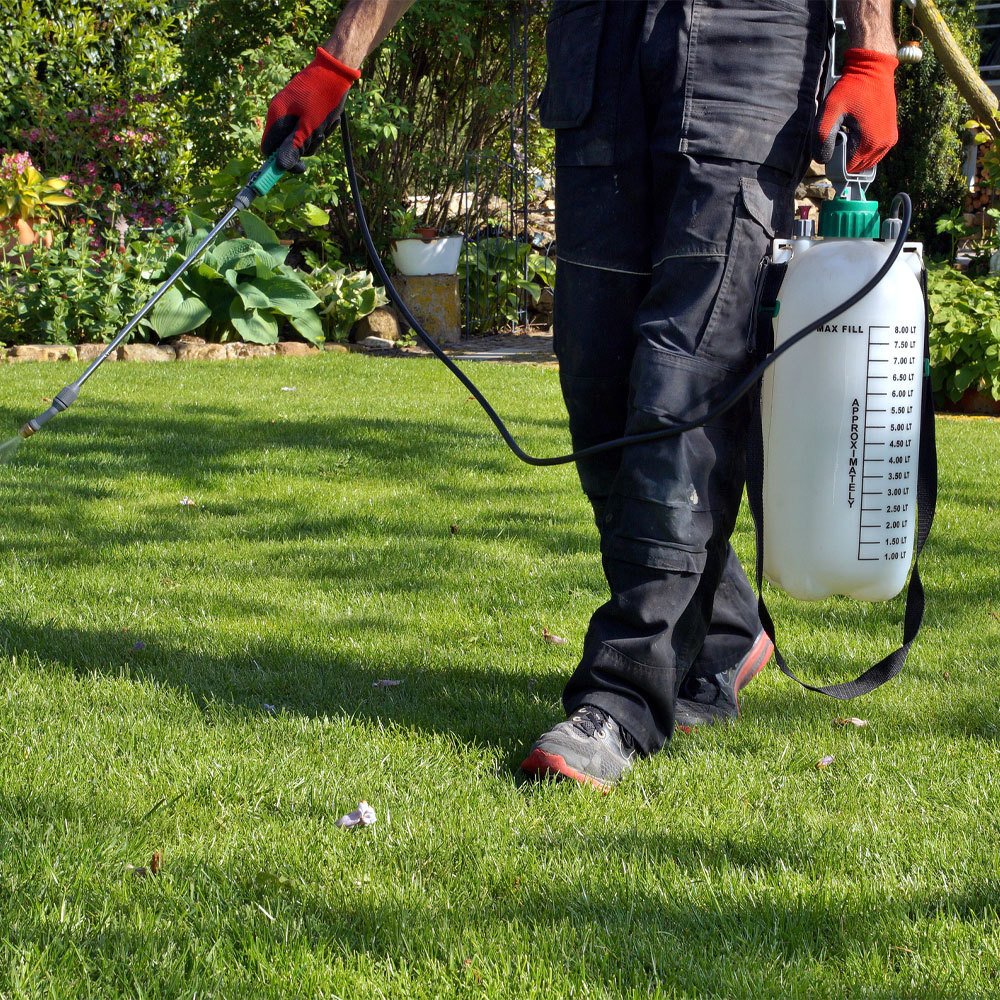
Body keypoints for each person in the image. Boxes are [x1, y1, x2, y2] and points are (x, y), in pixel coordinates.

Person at [263, 0, 900, 791]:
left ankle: (621, 696)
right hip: (599, 50)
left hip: (749, 45)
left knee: (682, 377)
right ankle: (728, 628)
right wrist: (336, 62)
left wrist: (874, 53)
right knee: (596, 383)